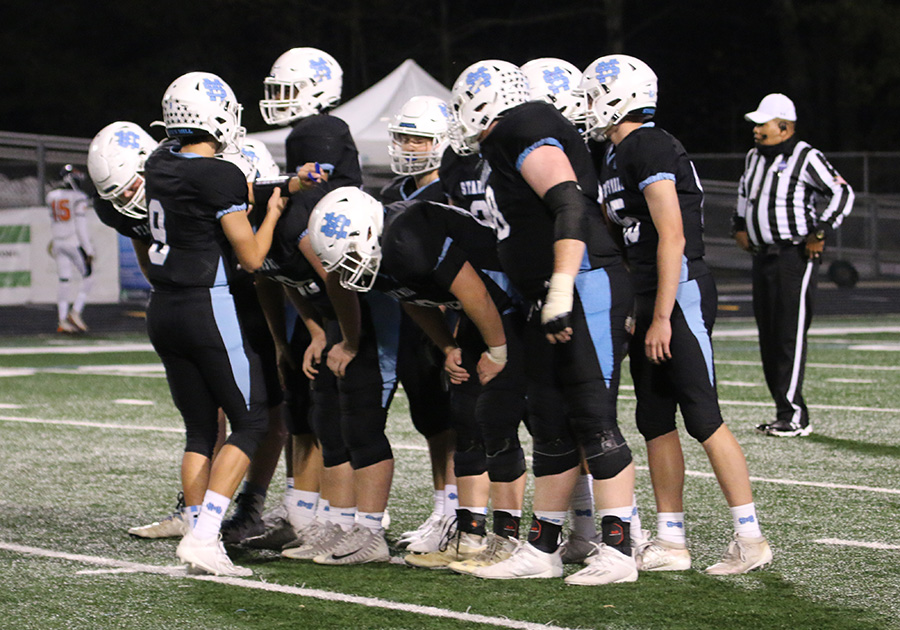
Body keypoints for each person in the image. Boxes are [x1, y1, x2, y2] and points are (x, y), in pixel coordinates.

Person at [448, 60, 637, 585]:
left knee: (594, 417)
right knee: (550, 420)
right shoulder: (505, 139)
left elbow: (569, 202)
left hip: (583, 284)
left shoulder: (523, 125)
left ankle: (620, 549)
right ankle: (544, 548)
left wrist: (559, 287)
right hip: (552, 294)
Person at [583, 54, 772, 575]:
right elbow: (626, 238)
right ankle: (671, 540)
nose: (588, 102)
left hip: (679, 291)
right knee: (653, 420)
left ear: (621, 95)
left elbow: (673, 235)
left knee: (702, 415)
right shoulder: (615, 154)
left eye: (596, 91)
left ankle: (750, 537)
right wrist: (635, 306)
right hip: (648, 295)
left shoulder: (649, 144)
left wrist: (662, 314)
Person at [143, 71, 286, 577]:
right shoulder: (220, 173)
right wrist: (271, 214)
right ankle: (205, 538)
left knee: (201, 429)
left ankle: (195, 525)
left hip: (163, 307)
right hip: (208, 303)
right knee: (251, 421)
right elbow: (250, 257)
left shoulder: (157, 161)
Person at [733, 93, 854, 438]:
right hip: (763, 254)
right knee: (768, 333)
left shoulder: (806, 157)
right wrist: (739, 226)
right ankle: (783, 410)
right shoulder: (754, 157)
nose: (756, 130)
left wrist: (820, 230)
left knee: (789, 332)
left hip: (793, 256)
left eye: (763, 123)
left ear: (784, 127)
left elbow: (842, 193)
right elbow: (744, 193)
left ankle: (795, 414)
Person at [381, 95, 459, 553]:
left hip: (448, 313)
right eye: (404, 135)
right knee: (431, 420)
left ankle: (463, 514)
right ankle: (443, 510)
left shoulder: (448, 190)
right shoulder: (394, 192)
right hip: (409, 315)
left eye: (420, 137)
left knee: (458, 420)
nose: (410, 145)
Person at [46, 165, 95, 333]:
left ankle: (62, 319)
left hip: (58, 242)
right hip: (73, 243)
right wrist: (89, 250)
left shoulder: (51, 196)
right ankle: (75, 312)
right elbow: (80, 227)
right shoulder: (79, 197)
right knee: (88, 277)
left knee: (64, 280)